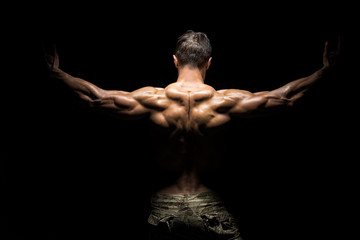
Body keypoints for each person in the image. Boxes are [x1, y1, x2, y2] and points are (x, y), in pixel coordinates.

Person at [43, 30, 341, 240]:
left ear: (174, 60)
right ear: (209, 62)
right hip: (212, 207)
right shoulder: (225, 101)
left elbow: (96, 98)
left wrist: (57, 74)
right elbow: (285, 98)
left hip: (165, 209)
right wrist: (324, 72)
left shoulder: (152, 99)